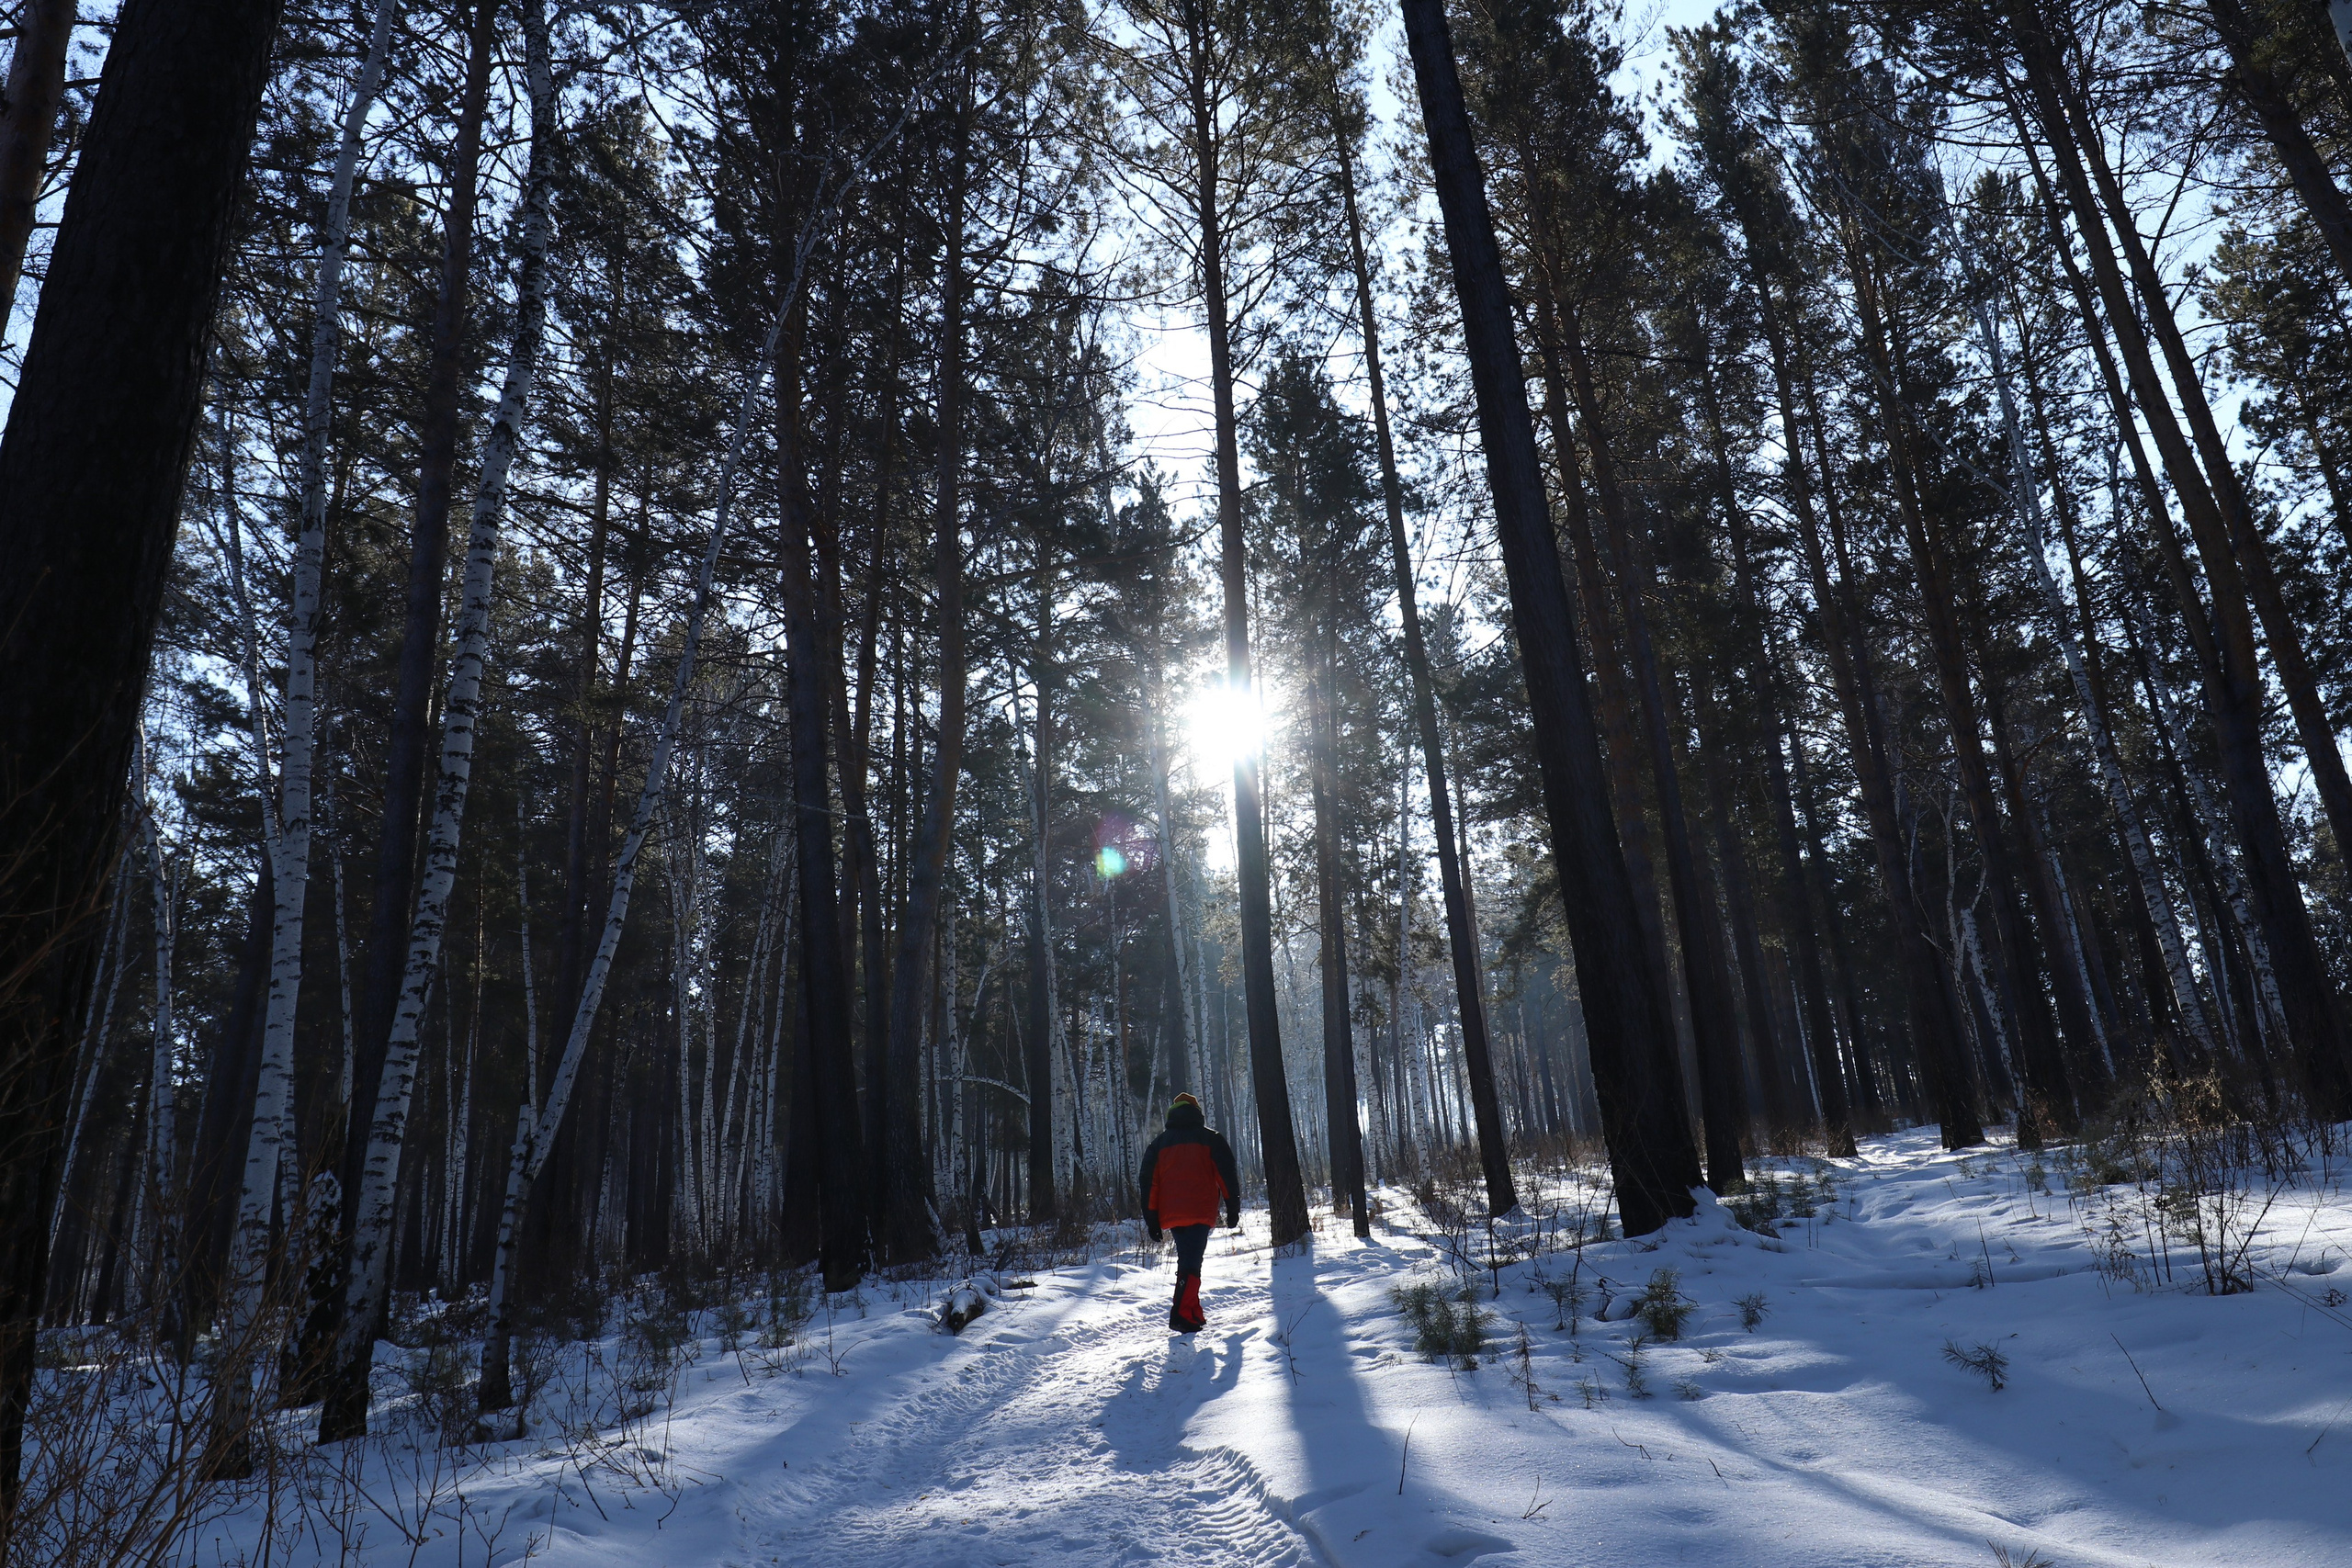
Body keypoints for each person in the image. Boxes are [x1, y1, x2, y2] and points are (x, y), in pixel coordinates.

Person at [1136, 1093, 1241, 1333]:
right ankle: (1181, 1316)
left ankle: (1192, 1311)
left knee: (1190, 1260)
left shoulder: (1159, 1144)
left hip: (1173, 1214)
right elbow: (1226, 1175)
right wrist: (1232, 1207)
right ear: (1197, 1113)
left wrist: (1151, 1219)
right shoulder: (1210, 1139)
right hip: (1200, 1210)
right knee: (1192, 1262)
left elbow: (1149, 1184)